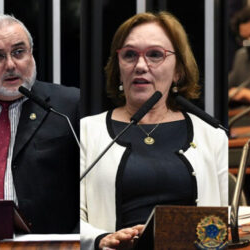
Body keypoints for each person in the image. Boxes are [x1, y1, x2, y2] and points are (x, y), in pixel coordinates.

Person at [80, 11, 228, 250]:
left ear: (178, 70)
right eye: (129, 55)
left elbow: (228, 220)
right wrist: (100, 239)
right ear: (118, 68)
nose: (140, 66)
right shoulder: (86, 131)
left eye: (155, 55)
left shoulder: (211, 134)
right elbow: (68, 214)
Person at [0, 13, 79, 233]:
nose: (11, 65)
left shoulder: (70, 107)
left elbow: (92, 190)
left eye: (18, 52)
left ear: (31, 54)